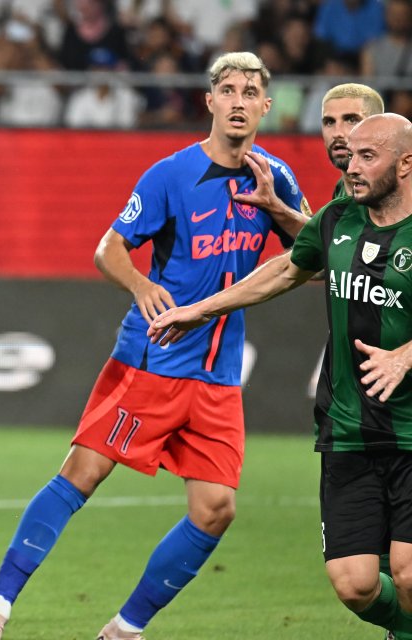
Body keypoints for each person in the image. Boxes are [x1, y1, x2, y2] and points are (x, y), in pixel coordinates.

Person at [0, 51, 310, 640]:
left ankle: (125, 629)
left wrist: (280, 211)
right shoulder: (170, 175)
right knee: (82, 474)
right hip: (154, 358)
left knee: (216, 509)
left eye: (249, 91)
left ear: (265, 105)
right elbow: (108, 249)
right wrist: (142, 282)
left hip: (220, 373)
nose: (237, 100)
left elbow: (313, 255)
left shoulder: (274, 178)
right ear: (209, 101)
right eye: (226, 89)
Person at [148, 112, 412, 640]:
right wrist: (203, 308)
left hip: (411, 433)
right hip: (348, 432)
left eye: (367, 156)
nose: (351, 166)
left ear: (405, 164)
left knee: (407, 571)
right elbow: (289, 268)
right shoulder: (338, 219)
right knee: (355, 584)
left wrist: (405, 354)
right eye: (350, 154)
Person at [321, 83, 386, 198]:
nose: (337, 133)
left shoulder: (400, 190)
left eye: (351, 120)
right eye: (330, 122)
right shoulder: (341, 189)